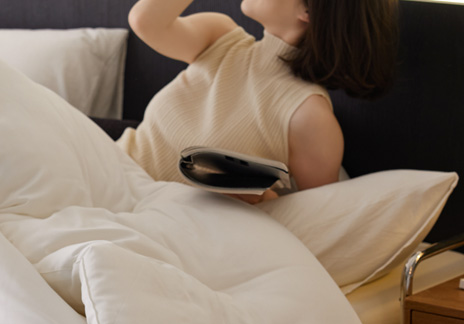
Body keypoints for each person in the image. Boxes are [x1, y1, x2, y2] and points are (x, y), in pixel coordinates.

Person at [117, 0, 399, 197]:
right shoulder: (220, 37)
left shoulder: (309, 118)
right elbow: (145, 21)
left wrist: (263, 202)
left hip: (147, 217)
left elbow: (315, 221)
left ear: (308, 9)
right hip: (110, 169)